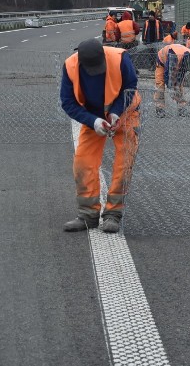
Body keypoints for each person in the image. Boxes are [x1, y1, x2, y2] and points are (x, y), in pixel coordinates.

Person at [59, 38, 140, 233]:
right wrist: (93, 122)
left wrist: (115, 112)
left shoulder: (120, 58)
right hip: (93, 115)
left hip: (126, 113)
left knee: (124, 161)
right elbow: (68, 102)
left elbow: (130, 86)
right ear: (81, 63)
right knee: (83, 162)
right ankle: (88, 215)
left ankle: (113, 214)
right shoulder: (70, 67)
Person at [154, 43, 190, 115]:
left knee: (179, 85)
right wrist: (170, 87)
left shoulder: (189, 55)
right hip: (162, 61)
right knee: (160, 84)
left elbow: (182, 73)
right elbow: (167, 72)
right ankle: (160, 108)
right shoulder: (173, 54)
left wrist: (177, 84)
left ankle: (182, 107)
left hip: (176, 62)